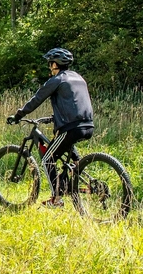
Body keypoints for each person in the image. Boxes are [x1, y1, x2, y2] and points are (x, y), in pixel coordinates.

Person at [7, 48, 94, 206]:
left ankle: (56, 199)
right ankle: (72, 179)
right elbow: (74, 102)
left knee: (48, 158)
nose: (49, 67)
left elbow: (37, 99)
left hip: (71, 128)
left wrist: (19, 115)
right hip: (88, 124)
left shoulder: (57, 79)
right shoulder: (78, 78)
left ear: (55, 64)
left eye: (50, 64)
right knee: (67, 153)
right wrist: (55, 118)